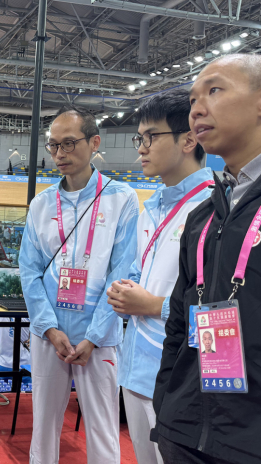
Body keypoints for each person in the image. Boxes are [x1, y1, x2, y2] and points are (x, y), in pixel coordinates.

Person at [153, 54, 261, 464]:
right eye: (193, 99)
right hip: (186, 433)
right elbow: (179, 324)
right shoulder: (204, 216)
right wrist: (168, 403)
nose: (196, 109)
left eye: (214, 90)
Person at [20, 105, 139, 464]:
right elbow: (29, 271)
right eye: (54, 145)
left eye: (69, 143)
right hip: (49, 334)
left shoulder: (122, 198)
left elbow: (123, 273)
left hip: (98, 336)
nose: (60, 154)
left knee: (102, 429)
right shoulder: (41, 204)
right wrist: (48, 327)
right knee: (43, 427)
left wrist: (94, 336)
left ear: (94, 143)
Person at [105, 88, 213, 464]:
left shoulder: (214, 206)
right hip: (135, 366)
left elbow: (223, 306)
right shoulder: (151, 207)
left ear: (188, 140)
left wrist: (153, 305)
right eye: (139, 138)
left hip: (182, 375)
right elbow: (141, 271)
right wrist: (123, 291)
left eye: (151, 137)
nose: (141, 148)